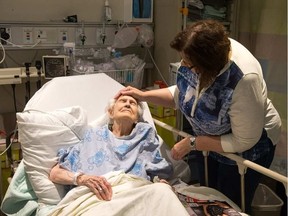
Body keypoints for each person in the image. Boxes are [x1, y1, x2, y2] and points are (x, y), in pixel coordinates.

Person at [115, 19, 282, 213]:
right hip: (209, 141)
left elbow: (243, 140)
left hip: (247, 144)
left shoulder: (243, 79)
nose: (183, 66)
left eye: (188, 63)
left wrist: (194, 143)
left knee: (229, 204)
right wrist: (143, 95)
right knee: (208, 194)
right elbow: (182, 94)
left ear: (207, 67)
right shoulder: (201, 58)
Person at [49, 95, 174, 201]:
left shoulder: (145, 136)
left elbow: (157, 172)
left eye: (133, 103)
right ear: (111, 112)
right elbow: (55, 173)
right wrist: (82, 179)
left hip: (134, 196)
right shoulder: (93, 136)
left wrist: (160, 183)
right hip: (98, 198)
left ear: (137, 117)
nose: (128, 104)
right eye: (123, 101)